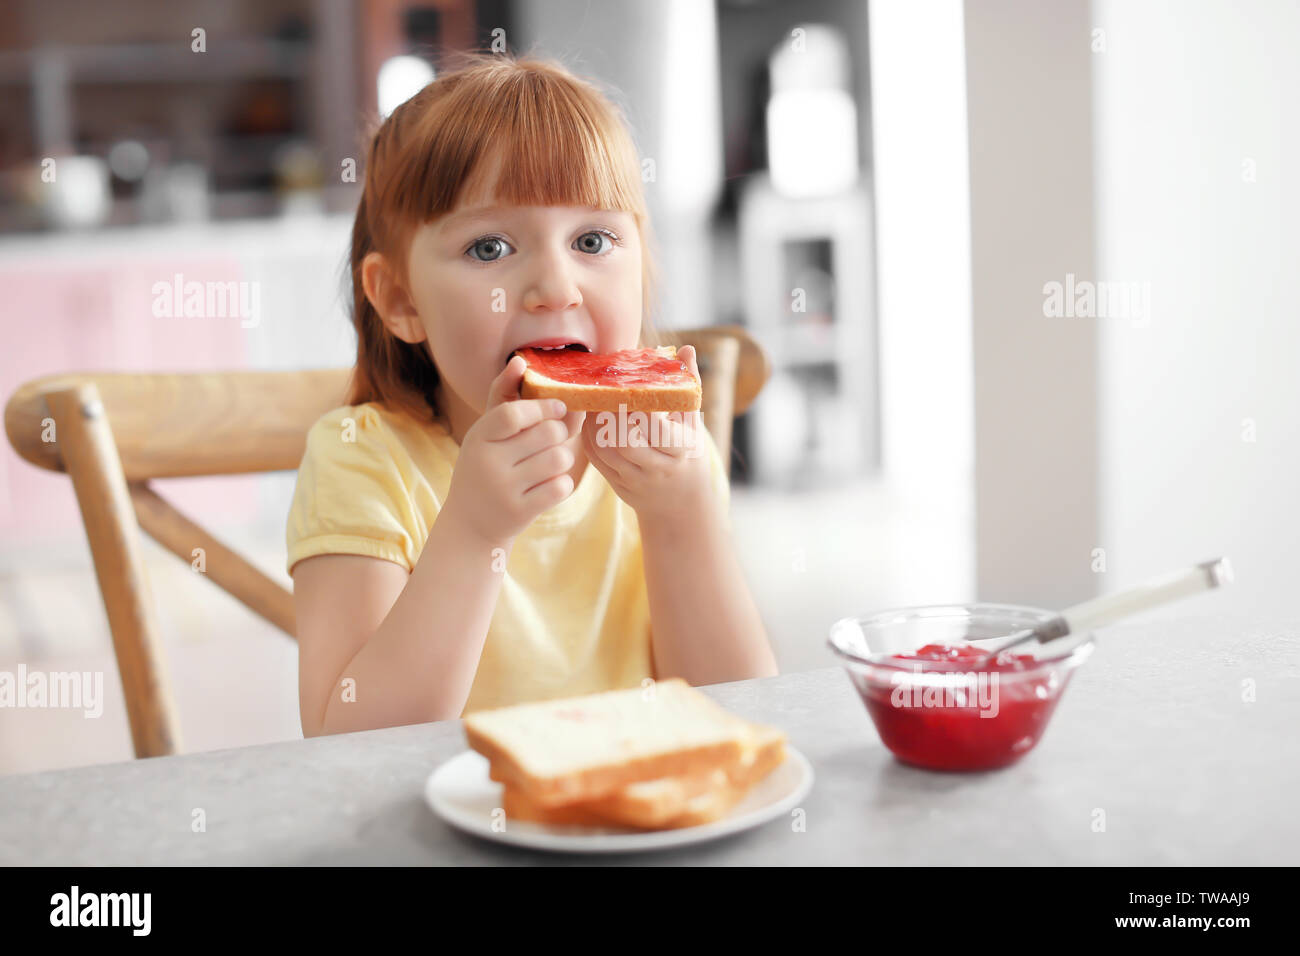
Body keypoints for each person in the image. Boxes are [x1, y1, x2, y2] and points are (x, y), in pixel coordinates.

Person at [287, 54, 777, 737]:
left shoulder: (664, 465)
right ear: (400, 299)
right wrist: (474, 530)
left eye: (593, 239)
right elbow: (348, 742)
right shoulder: (360, 464)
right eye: (490, 248)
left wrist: (682, 518)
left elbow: (737, 719)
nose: (555, 287)